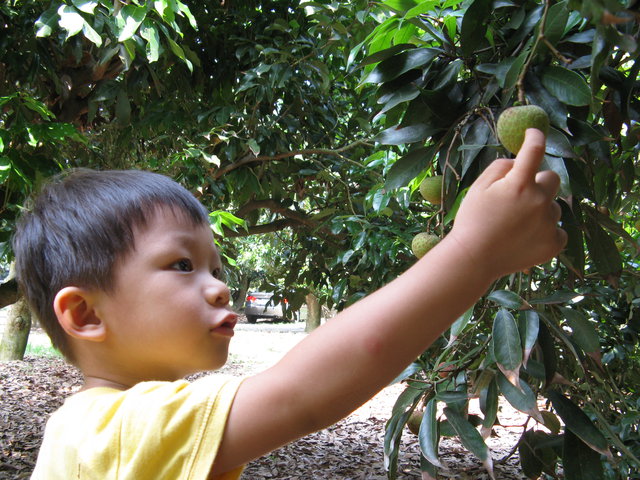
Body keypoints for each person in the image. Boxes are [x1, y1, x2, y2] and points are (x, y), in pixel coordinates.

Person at [13, 128, 566, 479]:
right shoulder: (116, 430)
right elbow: (303, 394)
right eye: (181, 265)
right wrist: (474, 254)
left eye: (216, 268)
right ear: (85, 314)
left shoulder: (95, 427)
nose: (219, 287)